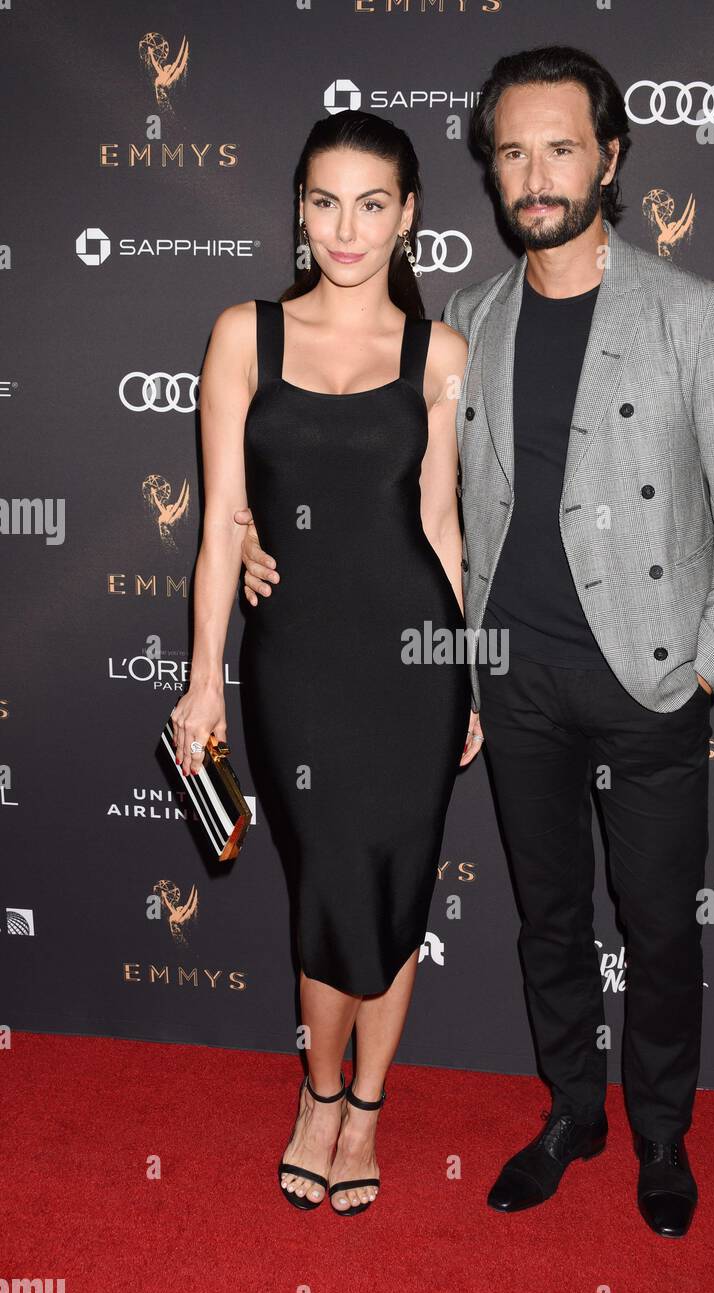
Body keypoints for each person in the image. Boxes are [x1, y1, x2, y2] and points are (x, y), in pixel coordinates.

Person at [236, 46, 714, 1238]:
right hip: (510, 677)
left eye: (562, 146)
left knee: (658, 923)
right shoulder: (470, 320)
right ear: (489, 171)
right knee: (547, 919)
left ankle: (662, 1136)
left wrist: (707, 661)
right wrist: (250, 536)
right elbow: (431, 512)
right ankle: (572, 1114)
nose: (536, 173)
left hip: (648, 682)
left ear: (611, 157)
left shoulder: (690, 312)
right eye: (513, 151)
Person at [169, 110, 479, 1217]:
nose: (345, 228)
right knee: (328, 885)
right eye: (322, 201)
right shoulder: (242, 334)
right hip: (299, 662)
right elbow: (219, 527)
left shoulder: (438, 352)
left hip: (416, 662)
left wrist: (469, 675)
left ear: (409, 218)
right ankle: (316, 1091)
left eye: (371, 203)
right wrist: (206, 675)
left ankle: (368, 1108)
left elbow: (443, 531)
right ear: (298, 210)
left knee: (398, 887)